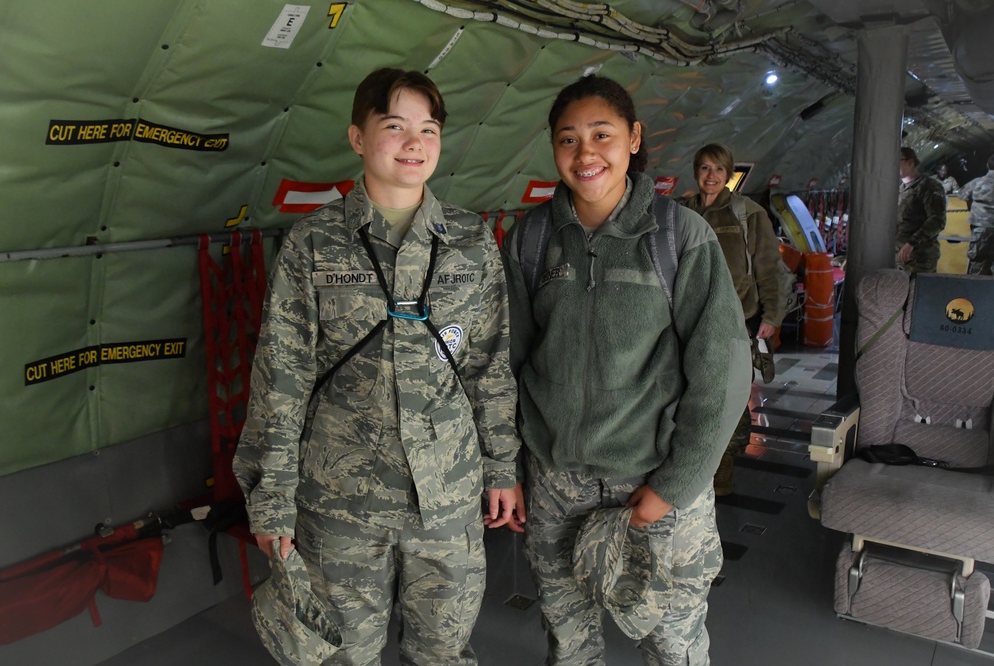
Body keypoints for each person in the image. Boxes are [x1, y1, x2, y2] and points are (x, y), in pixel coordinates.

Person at [234, 67, 522, 666]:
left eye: (429, 129)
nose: (415, 143)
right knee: (342, 657)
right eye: (395, 127)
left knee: (444, 653)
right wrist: (272, 498)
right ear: (358, 138)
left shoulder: (471, 241)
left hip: (448, 497)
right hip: (342, 503)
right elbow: (280, 382)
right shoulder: (313, 243)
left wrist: (502, 467)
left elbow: (490, 368)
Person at [502, 75, 751, 665]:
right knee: (570, 644)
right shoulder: (532, 240)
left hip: (654, 482)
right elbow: (506, 366)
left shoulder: (676, 236)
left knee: (673, 644)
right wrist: (507, 468)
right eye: (568, 139)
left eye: (602, 134)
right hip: (558, 483)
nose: (585, 153)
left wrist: (672, 487)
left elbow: (721, 370)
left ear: (634, 138)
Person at [683, 143, 785, 496]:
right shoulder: (683, 213)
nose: (711, 176)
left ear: (729, 175)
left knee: (728, 397)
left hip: (735, 321)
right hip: (689, 321)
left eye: (719, 170)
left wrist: (771, 314)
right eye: (705, 168)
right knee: (692, 395)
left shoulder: (747, 214)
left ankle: (723, 469)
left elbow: (770, 269)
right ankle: (692, 466)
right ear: (696, 172)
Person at [897, 147, 946, 274]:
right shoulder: (900, 189)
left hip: (920, 258)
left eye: (898, 160)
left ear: (910, 162)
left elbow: (937, 219)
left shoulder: (929, 186)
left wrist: (911, 243)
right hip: (900, 256)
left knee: (918, 292)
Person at [959, 153, 994, 275]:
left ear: (987, 165)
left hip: (980, 228)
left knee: (977, 261)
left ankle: (975, 291)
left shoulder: (977, 182)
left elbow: (961, 195)